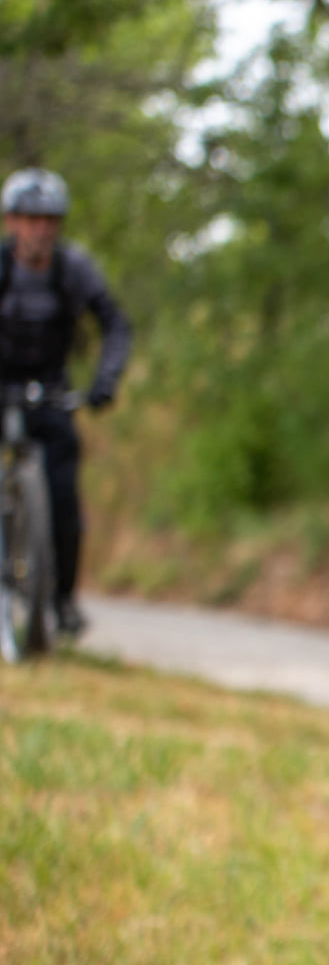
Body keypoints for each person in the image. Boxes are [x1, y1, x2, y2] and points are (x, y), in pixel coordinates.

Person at [0, 168, 131, 636]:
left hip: (49, 390)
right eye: (31, 219)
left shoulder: (72, 269)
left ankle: (62, 599)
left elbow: (115, 324)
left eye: (50, 220)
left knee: (63, 498)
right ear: (12, 221)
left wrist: (105, 382)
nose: (41, 230)